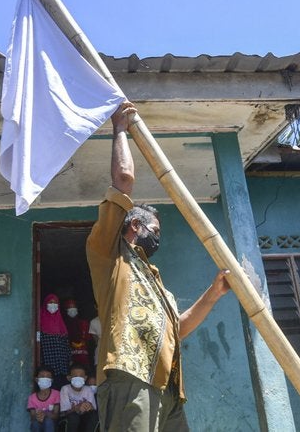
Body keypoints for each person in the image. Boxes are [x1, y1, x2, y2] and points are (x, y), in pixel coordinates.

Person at [86, 101, 231, 431]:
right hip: (129, 378)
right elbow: (124, 178)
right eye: (156, 230)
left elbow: (176, 331)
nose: (158, 238)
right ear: (135, 226)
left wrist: (215, 292)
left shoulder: (154, 280)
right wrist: (120, 129)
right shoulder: (110, 255)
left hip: (169, 389)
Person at [39, 293, 70, 387]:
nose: (53, 305)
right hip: (47, 362)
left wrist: (70, 359)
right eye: (50, 302)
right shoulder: (40, 320)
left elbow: (66, 344)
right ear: (45, 304)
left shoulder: (60, 322)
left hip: (62, 364)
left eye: (55, 303)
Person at [59, 363, 98, 432]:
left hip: (84, 417)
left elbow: (93, 409)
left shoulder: (88, 389)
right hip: (70, 418)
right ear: (69, 378)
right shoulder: (65, 389)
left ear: (85, 378)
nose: (78, 378)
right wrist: (77, 407)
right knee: (74, 417)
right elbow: (64, 412)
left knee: (94, 416)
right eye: (75, 376)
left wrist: (89, 406)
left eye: (81, 376)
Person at [27, 366, 61, 432]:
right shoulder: (32, 398)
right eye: (42, 376)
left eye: (48, 376)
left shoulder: (56, 394)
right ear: (37, 380)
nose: (45, 378)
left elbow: (56, 415)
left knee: (48, 421)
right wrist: (38, 417)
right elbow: (32, 416)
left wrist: (45, 415)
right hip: (38, 423)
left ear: (52, 380)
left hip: (52, 424)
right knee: (35, 423)